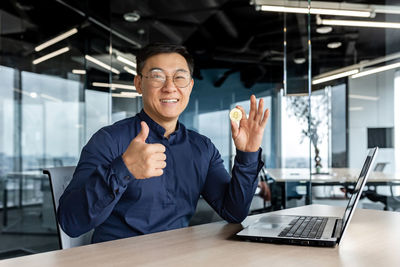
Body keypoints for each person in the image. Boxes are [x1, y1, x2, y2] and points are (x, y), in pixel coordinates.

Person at [57, 43, 270, 243]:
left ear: (190, 86)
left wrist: (247, 154)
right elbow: (71, 223)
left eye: (179, 77)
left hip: (178, 257)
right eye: (157, 76)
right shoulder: (109, 140)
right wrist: (123, 168)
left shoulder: (202, 148)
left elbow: (234, 212)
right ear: (139, 84)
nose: (170, 87)